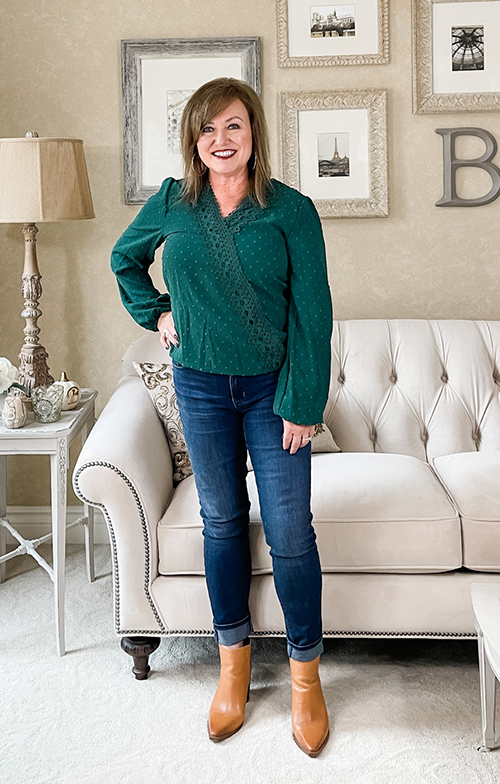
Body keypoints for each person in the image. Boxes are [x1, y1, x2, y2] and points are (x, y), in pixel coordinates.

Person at [111, 77, 333, 757]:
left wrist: (302, 402)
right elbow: (124, 261)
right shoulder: (173, 204)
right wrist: (158, 313)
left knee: (291, 531)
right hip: (200, 387)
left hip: (274, 393)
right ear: (193, 140)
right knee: (221, 521)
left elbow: (313, 313)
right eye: (207, 129)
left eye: (233, 126)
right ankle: (231, 666)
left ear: (253, 133)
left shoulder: (290, 210)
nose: (220, 139)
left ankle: (304, 676)